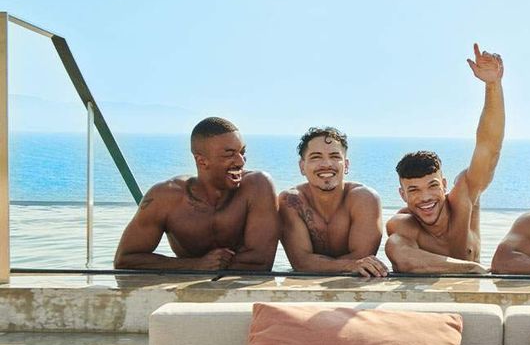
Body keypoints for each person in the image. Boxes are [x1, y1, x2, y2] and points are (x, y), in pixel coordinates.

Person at [385, 44, 504, 273]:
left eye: (432, 185)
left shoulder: (463, 198)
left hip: (473, 300)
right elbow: (403, 258)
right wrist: (472, 269)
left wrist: (493, 85)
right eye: (414, 190)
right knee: (393, 244)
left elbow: (488, 147)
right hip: (428, 305)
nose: (425, 197)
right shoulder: (402, 225)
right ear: (402, 195)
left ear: (445, 185)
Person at [114, 117, 279, 271]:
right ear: (202, 161)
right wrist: (195, 265)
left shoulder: (258, 186)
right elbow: (125, 260)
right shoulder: (165, 197)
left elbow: (261, 261)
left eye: (242, 152)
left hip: (244, 290)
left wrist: (207, 267)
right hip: (187, 291)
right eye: (229, 154)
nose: (240, 161)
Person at [278, 127, 387, 277]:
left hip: (355, 286)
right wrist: (350, 264)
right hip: (306, 284)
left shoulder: (364, 199)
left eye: (335, 156)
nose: (326, 164)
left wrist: (317, 264)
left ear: (346, 165)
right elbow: (301, 262)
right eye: (316, 157)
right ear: (302, 167)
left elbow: (364, 260)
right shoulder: (292, 201)